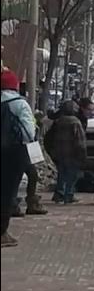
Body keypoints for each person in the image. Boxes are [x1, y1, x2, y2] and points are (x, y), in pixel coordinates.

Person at [2, 69, 38, 248]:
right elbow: (29, 131)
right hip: (14, 151)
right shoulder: (19, 104)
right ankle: (2, 232)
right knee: (8, 191)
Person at [46, 100, 89, 204]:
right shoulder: (75, 122)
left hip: (60, 152)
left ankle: (59, 193)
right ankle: (68, 194)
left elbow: (50, 137)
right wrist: (83, 154)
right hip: (72, 153)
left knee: (62, 173)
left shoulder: (59, 121)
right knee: (72, 175)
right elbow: (80, 141)